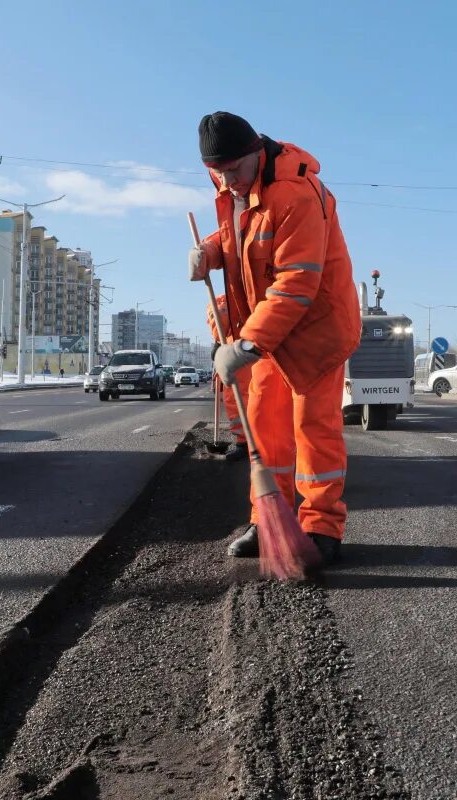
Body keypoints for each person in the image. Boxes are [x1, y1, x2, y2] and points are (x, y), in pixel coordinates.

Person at [189, 111, 361, 563]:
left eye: (234, 171)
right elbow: (243, 236)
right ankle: (269, 522)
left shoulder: (297, 194)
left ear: (255, 153)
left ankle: (321, 527)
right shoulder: (236, 186)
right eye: (218, 173)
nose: (228, 182)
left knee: (313, 431)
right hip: (269, 330)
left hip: (315, 330)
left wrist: (246, 345)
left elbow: (296, 282)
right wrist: (211, 251)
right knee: (265, 429)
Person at [206, 294, 250, 461]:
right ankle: (255, 442)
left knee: (238, 399)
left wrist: (218, 342)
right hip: (252, 347)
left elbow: (219, 329)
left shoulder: (220, 303)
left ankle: (244, 443)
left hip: (237, 352)